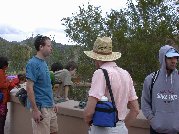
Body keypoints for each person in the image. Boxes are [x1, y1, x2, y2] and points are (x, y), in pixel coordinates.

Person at [83, 37, 140, 134]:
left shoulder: (100, 73)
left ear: (95, 57)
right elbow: (135, 109)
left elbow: (89, 112)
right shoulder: (126, 74)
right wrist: (121, 127)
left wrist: (90, 124)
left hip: (103, 129)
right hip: (121, 129)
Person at [141, 45, 179, 134]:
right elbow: (145, 102)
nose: (174, 61)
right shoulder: (151, 79)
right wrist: (153, 120)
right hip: (156, 129)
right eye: (170, 58)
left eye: (176, 58)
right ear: (163, 59)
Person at [26, 35, 58, 134]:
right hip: (41, 107)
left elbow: (46, 86)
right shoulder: (32, 63)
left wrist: (53, 102)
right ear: (41, 47)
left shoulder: (43, 63)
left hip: (50, 106)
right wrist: (35, 110)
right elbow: (29, 88)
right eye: (49, 46)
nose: (51, 48)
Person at [0, 56, 19, 134]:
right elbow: (2, 85)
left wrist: (11, 83)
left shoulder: (2, 72)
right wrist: (10, 82)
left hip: (2, 100)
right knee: (1, 120)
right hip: (1, 101)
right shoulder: (1, 72)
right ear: (4, 64)